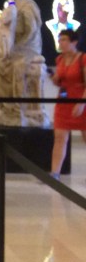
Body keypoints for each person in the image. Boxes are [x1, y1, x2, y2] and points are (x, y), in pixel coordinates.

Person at [0, 0, 48, 127]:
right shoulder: (13, 6)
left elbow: (31, 30)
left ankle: (17, 106)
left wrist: (17, 41)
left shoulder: (29, 5)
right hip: (16, 46)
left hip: (29, 47)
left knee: (17, 65)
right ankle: (3, 106)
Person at [50, 29, 86, 179]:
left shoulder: (83, 58)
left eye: (64, 40)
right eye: (60, 40)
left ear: (74, 42)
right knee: (59, 137)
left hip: (81, 101)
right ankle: (55, 174)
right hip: (64, 102)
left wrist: (81, 103)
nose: (61, 43)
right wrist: (53, 78)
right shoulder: (59, 59)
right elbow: (60, 82)